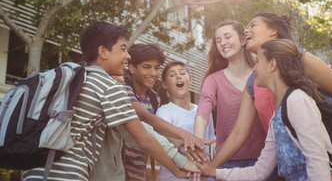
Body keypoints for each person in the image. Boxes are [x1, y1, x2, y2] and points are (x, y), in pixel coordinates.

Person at [22, 22, 189, 180]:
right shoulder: (108, 86)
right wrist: (178, 170)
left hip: (34, 171)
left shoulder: (74, 77)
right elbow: (143, 137)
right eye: (123, 49)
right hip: (67, 174)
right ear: (103, 52)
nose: (127, 55)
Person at [209, 12, 332, 170]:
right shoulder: (253, 82)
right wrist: (211, 167)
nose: (246, 31)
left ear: (272, 31)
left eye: (252, 25)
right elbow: (239, 133)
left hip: (323, 163)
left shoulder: (301, 59)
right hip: (284, 168)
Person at [196, 39, 332, 180]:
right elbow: (259, 172)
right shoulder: (276, 116)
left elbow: (317, 162)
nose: (254, 68)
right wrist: (212, 171)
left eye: (258, 61)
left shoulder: (298, 101)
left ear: (272, 64)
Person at [124, 43, 207, 181]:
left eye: (156, 68)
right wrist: (184, 134)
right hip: (119, 168)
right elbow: (145, 117)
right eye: (146, 67)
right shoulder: (123, 89)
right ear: (132, 67)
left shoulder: (154, 98)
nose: (153, 73)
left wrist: (182, 147)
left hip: (138, 170)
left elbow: (157, 131)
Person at [194, 21, 266, 170]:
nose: (222, 43)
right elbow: (202, 112)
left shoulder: (262, 75)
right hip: (227, 163)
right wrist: (197, 140)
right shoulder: (213, 80)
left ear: (242, 40)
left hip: (264, 163)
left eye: (227, 37)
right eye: (218, 41)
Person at [156, 61, 215, 181]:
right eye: (172, 75)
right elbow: (161, 138)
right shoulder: (164, 112)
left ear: (190, 80)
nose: (178, 76)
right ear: (164, 84)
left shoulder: (203, 111)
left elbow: (208, 144)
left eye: (182, 73)